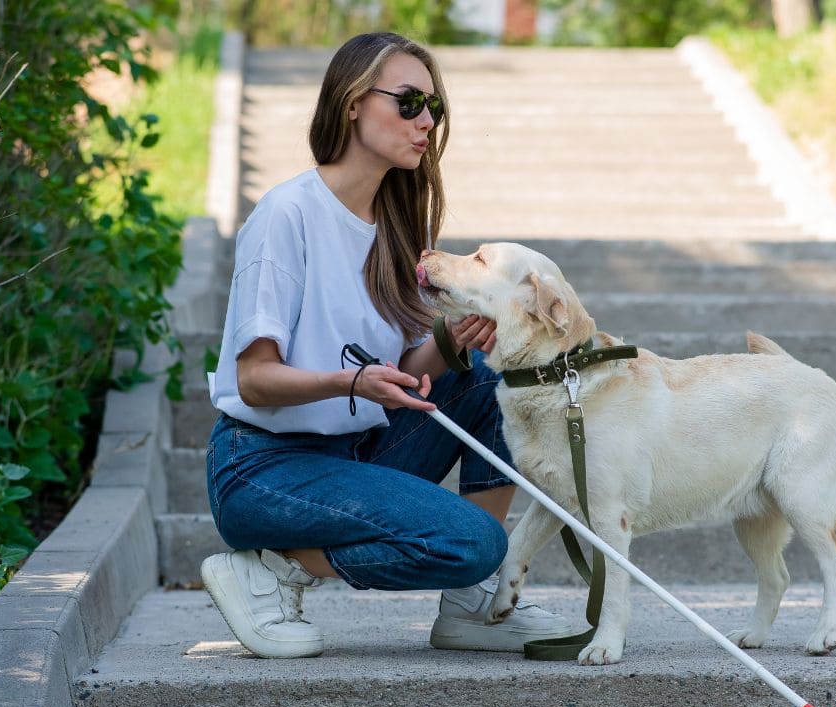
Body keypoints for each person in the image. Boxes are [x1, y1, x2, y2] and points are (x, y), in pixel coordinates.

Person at [202, 31, 571, 659]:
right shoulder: (286, 215)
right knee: (474, 543)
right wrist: (350, 382)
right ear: (352, 102)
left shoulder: (398, 229)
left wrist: (452, 341)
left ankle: (470, 608)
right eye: (408, 102)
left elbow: (403, 373)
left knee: (490, 368)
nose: (425, 122)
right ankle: (269, 571)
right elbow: (253, 380)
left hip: (358, 450)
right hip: (263, 466)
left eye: (434, 109)